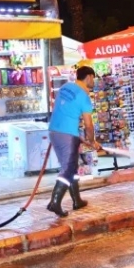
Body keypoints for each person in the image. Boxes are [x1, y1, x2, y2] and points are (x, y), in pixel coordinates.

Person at [47, 66, 102, 217]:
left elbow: (66, 111)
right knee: (68, 169)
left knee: (72, 166)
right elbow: (88, 125)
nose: (93, 82)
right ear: (89, 77)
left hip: (54, 131)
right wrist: (92, 141)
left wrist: (83, 138)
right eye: (93, 78)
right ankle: (55, 202)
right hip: (68, 134)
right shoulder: (84, 97)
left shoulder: (65, 87)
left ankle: (77, 200)